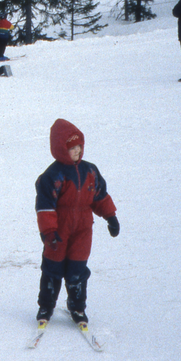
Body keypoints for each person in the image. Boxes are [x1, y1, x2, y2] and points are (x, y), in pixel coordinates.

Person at [34, 118, 119, 326]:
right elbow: (45, 207)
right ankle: (46, 306)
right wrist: (49, 232)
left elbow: (100, 197)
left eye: (79, 146)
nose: (77, 151)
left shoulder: (90, 171)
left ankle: (78, 308)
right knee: (52, 269)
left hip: (83, 229)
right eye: (72, 148)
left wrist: (111, 216)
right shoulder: (52, 176)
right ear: (61, 149)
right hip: (59, 231)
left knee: (78, 269)